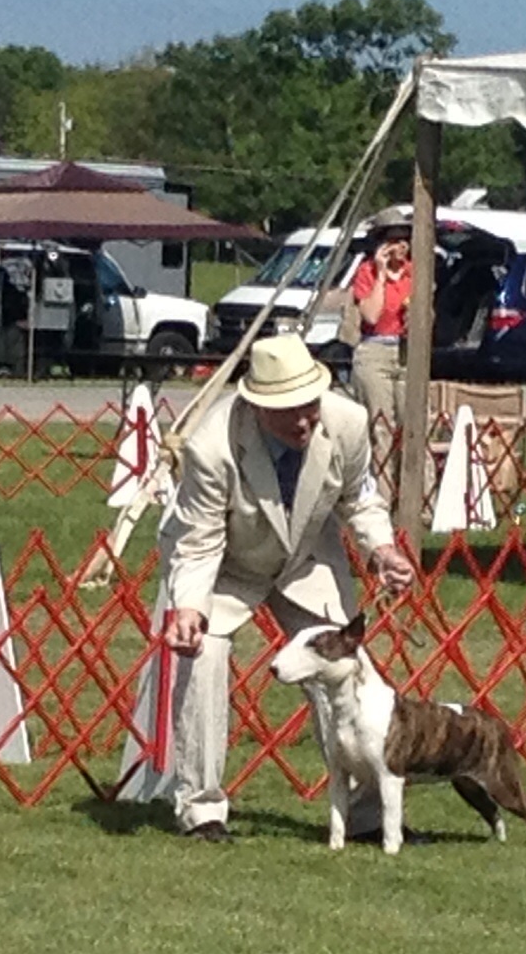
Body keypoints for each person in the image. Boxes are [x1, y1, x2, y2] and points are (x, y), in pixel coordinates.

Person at [161, 330, 417, 841]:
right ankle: (202, 812)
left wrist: (382, 550)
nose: (303, 420)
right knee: (203, 657)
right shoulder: (210, 447)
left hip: (306, 558)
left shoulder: (348, 422)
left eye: (309, 405)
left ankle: (367, 819)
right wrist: (189, 608)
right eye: (288, 410)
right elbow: (199, 542)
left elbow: (360, 499)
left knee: (346, 665)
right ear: (256, 407)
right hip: (226, 564)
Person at [345, 217, 417, 477]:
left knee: (412, 425)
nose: (401, 245)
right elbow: (371, 316)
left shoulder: (414, 272)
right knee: (381, 426)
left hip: (407, 351)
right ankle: (383, 493)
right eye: (394, 239)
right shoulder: (367, 271)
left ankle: (414, 492)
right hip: (375, 351)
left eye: (405, 239)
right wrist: (382, 274)